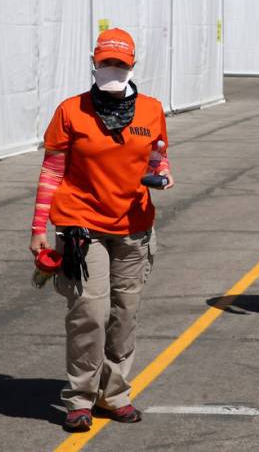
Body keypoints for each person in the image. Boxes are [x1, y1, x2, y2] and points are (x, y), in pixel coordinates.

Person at [29, 28, 173, 432]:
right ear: (94, 63)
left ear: (132, 64)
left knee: (123, 314)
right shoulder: (71, 111)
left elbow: (157, 158)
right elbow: (52, 170)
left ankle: (114, 393)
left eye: (120, 62)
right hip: (81, 225)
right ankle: (79, 399)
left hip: (133, 226)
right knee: (89, 312)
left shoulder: (151, 110)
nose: (113, 68)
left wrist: (161, 173)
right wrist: (39, 226)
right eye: (106, 61)